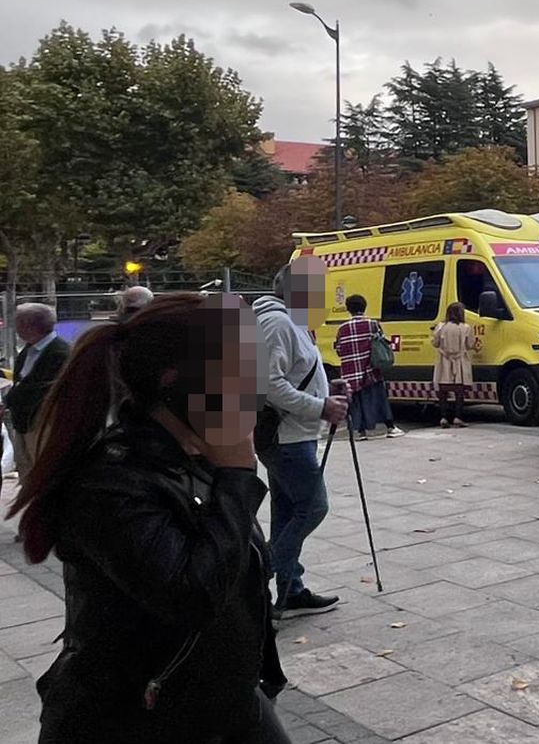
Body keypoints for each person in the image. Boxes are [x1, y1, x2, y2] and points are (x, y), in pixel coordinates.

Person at [5, 294, 290, 743]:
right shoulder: (111, 482)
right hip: (137, 718)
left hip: (223, 699)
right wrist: (237, 479)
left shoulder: (196, 456)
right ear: (175, 381)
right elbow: (191, 594)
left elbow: (238, 577)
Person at [254, 257, 346, 618]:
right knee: (312, 507)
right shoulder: (277, 322)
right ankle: (261, 575)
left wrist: (327, 389)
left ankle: (290, 592)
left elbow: (293, 374)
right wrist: (321, 406)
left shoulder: (290, 321)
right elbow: (268, 383)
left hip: (293, 433)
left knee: (288, 511)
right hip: (286, 436)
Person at [2, 303, 72, 490]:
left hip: (42, 423)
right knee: (26, 472)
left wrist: (9, 399)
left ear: (31, 325)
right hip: (23, 422)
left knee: (44, 473)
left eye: (18, 323)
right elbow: (21, 382)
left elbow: (37, 389)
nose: (15, 328)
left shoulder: (60, 353)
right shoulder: (27, 350)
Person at [333, 295, 404, 440]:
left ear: (348, 309)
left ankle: (360, 432)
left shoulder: (342, 328)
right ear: (364, 307)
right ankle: (390, 427)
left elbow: (339, 349)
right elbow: (381, 343)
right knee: (379, 399)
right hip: (370, 370)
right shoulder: (372, 324)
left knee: (357, 403)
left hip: (351, 373)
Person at [431, 302, 474, 428]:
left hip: (444, 361)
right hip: (459, 362)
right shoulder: (466, 328)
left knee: (443, 391)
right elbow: (469, 345)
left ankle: (444, 418)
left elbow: (435, 343)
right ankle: (458, 417)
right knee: (459, 392)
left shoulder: (441, 327)